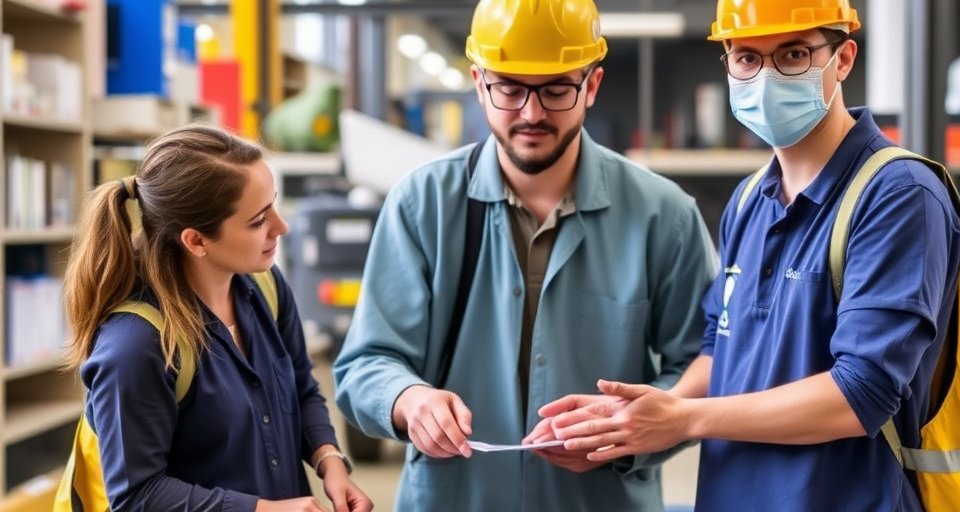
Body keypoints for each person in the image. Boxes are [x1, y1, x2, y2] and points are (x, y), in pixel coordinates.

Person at [538, 1, 960, 511]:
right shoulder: (747, 201)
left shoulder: (897, 194)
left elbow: (861, 394)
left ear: (844, 58)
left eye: (793, 54)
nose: (765, 78)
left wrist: (685, 420)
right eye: (745, 58)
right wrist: (631, 417)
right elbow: (721, 351)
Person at [331, 0, 717, 509]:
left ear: (592, 86)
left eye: (557, 90)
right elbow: (367, 363)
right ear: (478, 82)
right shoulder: (421, 203)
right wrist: (408, 400)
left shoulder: (663, 216)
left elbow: (703, 366)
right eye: (509, 88)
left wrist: (627, 426)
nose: (531, 113)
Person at [63, 125, 373, 512]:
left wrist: (330, 462)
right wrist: (263, 510)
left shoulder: (266, 287)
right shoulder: (134, 347)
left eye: (274, 205)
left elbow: (300, 385)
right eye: (259, 221)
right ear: (196, 240)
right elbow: (137, 496)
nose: (282, 227)